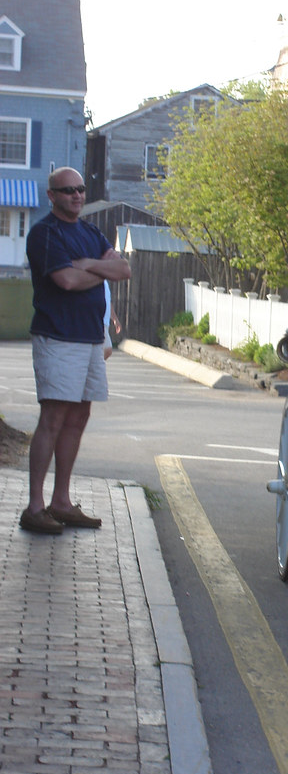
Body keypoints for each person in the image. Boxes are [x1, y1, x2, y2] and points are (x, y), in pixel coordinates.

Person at [20, 167, 131, 534]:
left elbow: (125, 269)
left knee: (78, 419)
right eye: (68, 191)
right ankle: (35, 507)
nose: (77, 195)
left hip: (90, 338)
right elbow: (66, 281)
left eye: (81, 189)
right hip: (58, 337)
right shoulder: (44, 234)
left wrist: (90, 266)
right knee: (52, 419)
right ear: (52, 195)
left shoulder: (90, 232)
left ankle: (61, 502)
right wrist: (102, 270)